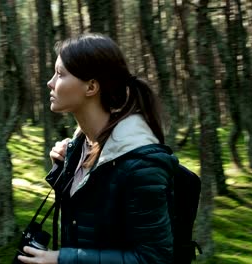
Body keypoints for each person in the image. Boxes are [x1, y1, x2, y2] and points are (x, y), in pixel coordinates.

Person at [17, 33, 176, 263]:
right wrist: (62, 172)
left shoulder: (141, 166)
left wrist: (62, 259)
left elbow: (154, 258)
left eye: (60, 74)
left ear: (91, 86)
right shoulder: (82, 144)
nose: (50, 82)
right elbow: (89, 216)